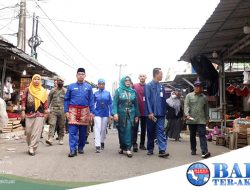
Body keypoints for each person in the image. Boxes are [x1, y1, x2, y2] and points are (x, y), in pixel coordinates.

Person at [64, 68, 94, 157]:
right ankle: (73, 149)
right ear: (76, 75)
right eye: (79, 74)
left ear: (85, 76)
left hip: (84, 111)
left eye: (82, 74)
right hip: (73, 111)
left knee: (83, 132)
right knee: (72, 131)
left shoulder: (88, 87)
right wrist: (66, 111)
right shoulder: (71, 86)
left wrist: (92, 112)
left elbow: (91, 100)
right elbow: (66, 99)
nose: (81, 75)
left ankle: (81, 147)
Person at [21, 74, 48, 156]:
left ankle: (32, 147)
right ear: (32, 80)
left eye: (38, 79)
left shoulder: (43, 91)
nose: (36, 80)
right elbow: (23, 100)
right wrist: (23, 111)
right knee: (28, 131)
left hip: (39, 113)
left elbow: (45, 102)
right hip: (29, 113)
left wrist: (46, 111)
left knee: (36, 132)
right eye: (35, 79)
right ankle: (30, 145)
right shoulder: (27, 89)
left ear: (40, 81)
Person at [112, 76, 139, 158]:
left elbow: (136, 104)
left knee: (128, 130)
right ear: (123, 82)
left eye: (129, 81)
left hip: (131, 114)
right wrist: (115, 113)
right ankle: (122, 147)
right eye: (126, 81)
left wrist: (137, 115)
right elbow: (115, 103)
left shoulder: (133, 91)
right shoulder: (118, 91)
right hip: (121, 114)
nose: (128, 82)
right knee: (121, 131)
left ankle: (128, 148)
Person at [145, 68, 169, 158]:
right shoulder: (148, 86)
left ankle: (162, 150)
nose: (162, 76)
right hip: (151, 113)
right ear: (156, 74)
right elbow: (147, 99)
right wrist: (150, 112)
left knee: (161, 130)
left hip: (161, 113)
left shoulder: (162, 86)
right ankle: (150, 149)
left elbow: (163, 100)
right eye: (161, 74)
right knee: (150, 131)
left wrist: (164, 110)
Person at [184, 80, 211, 159]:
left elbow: (206, 108)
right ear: (194, 87)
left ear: (202, 88)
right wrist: (187, 114)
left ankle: (204, 151)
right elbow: (186, 105)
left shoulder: (204, 97)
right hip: (191, 119)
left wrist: (207, 117)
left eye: (199, 86)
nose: (197, 88)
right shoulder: (189, 96)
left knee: (202, 135)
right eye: (196, 86)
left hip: (201, 119)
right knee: (192, 135)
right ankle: (193, 149)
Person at [93, 79, 112, 153]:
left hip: (105, 113)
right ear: (98, 85)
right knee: (97, 128)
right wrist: (92, 112)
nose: (101, 85)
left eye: (103, 84)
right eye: (100, 84)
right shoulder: (95, 94)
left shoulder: (108, 93)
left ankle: (102, 141)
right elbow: (92, 103)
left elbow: (110, 104)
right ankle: (97, 145)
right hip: (97, 113)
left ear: (104, 85)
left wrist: (111, 114)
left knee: (103, 129)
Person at [46, 78, 67, 146]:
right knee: (52, 124)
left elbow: (68, 101)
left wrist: (67, 110)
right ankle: (50, 138)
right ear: (57, 82)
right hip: (53, 110)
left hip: (62, 110)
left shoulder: (65, 91)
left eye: (62, 81)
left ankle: (61, 138)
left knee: (61, 125)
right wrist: (47, 108)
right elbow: (49, 98)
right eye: (59, 81)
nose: (60, 82)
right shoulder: (53, 90)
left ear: (63, 83)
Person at [132, 73, 147, 152]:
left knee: (144, 128)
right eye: (140, 76)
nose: (142, 77)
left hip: (145, 111)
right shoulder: (134, 86)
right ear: (138, 77)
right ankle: (134, 144)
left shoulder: (148, 87)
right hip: (136, 111)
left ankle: (142, 144)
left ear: (146, 77)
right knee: (135, 127)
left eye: (143, 76)